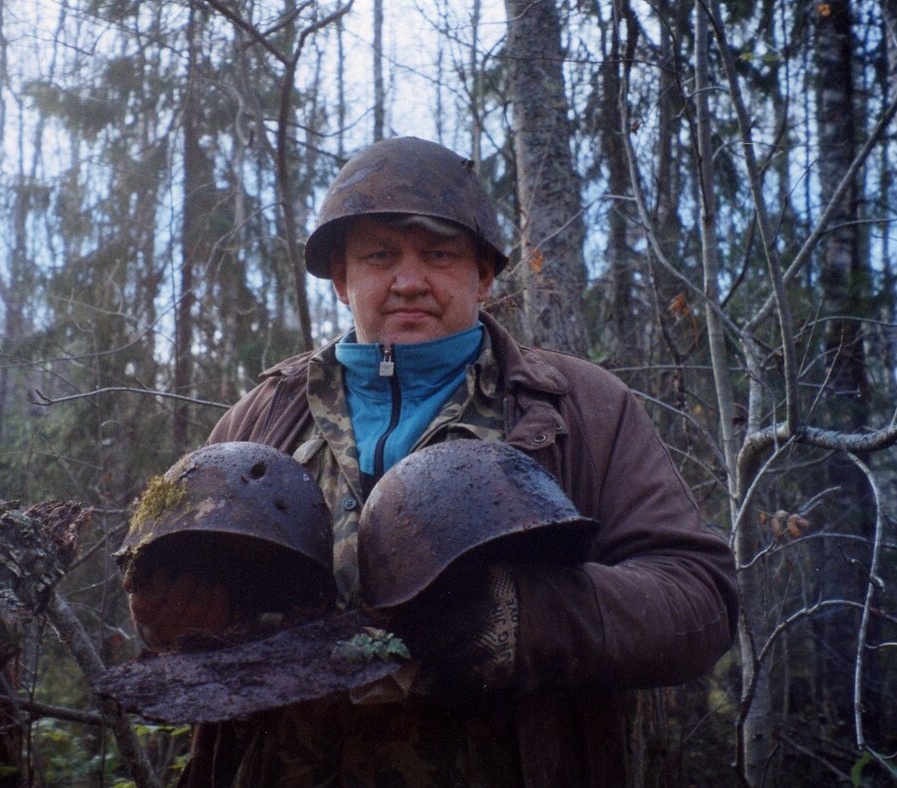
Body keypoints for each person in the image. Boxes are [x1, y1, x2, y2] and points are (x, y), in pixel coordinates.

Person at [126, 136, 738, 786]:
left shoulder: (580, 408)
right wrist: (175, 619)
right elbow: (172, 614)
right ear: (341, 278)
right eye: (380, 255)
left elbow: (699, 596)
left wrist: (528, 618)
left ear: (484, 275)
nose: (409, 280)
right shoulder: (264, 416)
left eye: (440, 255)